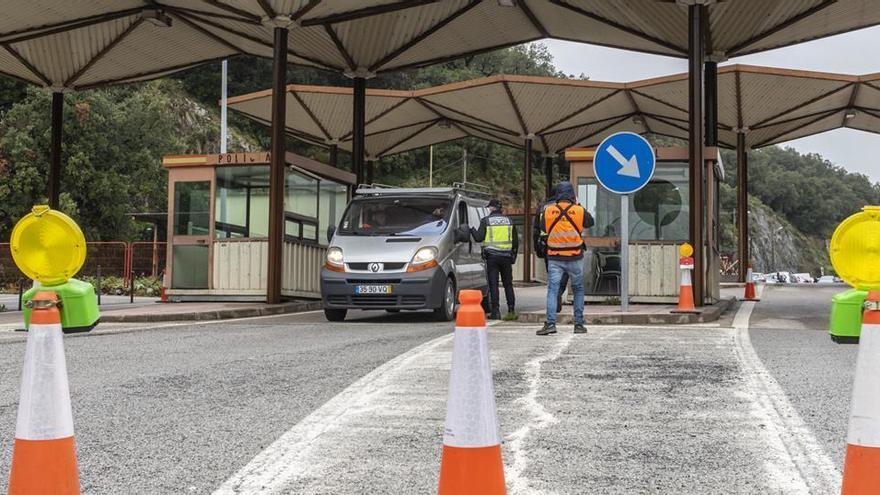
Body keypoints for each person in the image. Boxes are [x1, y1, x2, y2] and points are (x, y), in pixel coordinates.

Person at [537, 181, 592, 336]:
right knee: (578, 289)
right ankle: (579, 325)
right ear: (572, 195)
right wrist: (578, 205)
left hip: (555, 257)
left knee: (553, 290)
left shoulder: (548, 211)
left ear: (557, 195)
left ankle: (550, 324)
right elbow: (590, 222)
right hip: (575, 256)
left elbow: (543, 228)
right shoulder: (579, 210)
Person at [471, 198, 517, 320]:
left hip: (492, 257)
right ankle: (511, 310)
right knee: (508, 284)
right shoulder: (509, 221)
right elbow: (515, 241)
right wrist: (513, 256)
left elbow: (478, 238)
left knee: (493, 284)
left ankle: (496, 311)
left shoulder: (486, 221)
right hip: (506, 257)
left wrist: (471, 229)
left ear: (491, 208)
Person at [534, 185, 568, 313]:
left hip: (547, 245)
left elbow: (536, 230)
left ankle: (554, 299)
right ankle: (559, 292)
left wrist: (537, 249)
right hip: (566, 244)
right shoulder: (567, 206)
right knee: (566, 272)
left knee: (553, 275)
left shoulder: (542, 208)